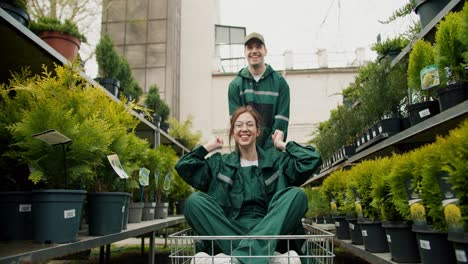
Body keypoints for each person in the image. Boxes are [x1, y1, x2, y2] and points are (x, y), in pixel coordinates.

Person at [175, 106, 322, 264]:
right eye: (238, 125)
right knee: (194, 202)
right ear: (233, 132)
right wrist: (207, 147)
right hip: (227, 229)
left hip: (270, 227)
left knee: (297, 195)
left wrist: (281, 144)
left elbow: (311, 159)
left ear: (258, 131)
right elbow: (184, 166)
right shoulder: (219, 163)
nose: (244, 129)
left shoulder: (277, 161)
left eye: (250, 124)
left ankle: (237, 258)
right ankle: (266, 257)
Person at [228, 32, 290, 150]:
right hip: (245, 155)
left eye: (258, 46)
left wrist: (267, 155)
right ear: (245, 53)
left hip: (272, 156)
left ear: (265, 51)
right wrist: (251, 154)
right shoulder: (235, 86)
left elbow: (281, 124)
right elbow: (238, 126)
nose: (254, 51)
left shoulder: (280, 83)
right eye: (250, 47)